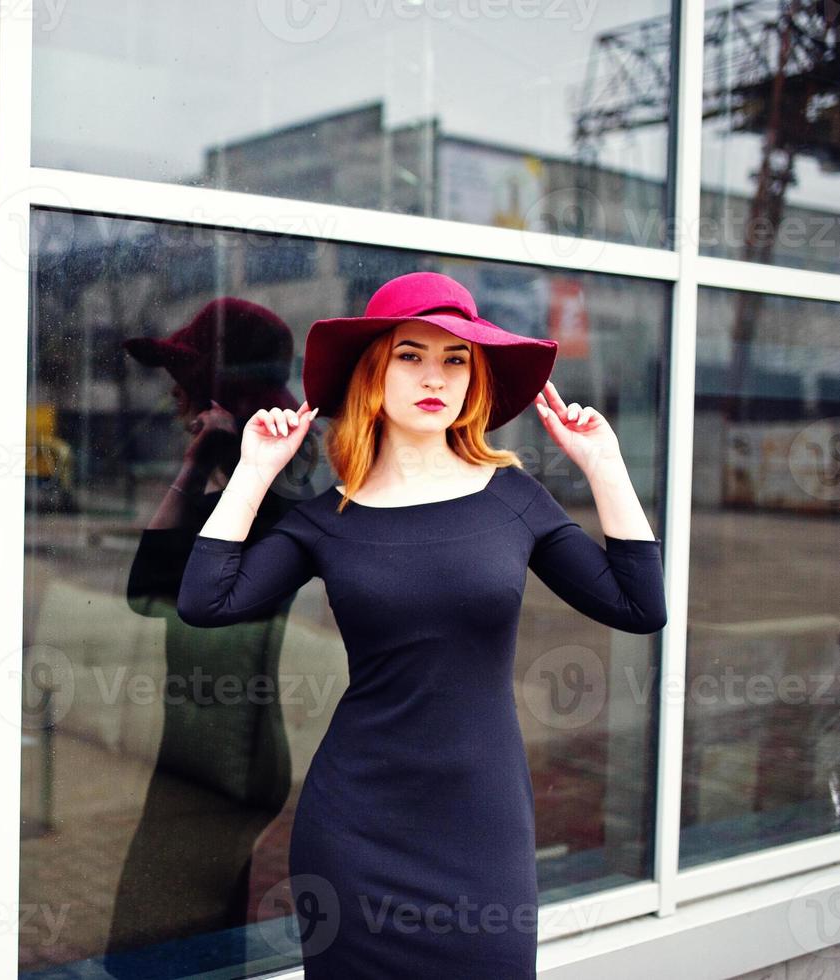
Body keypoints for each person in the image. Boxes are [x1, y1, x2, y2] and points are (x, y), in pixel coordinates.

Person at [175, 271, 667, 978]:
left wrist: (604, 465)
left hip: (482, 832)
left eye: (455, 358)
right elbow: (206, 600)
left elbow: (637, 604)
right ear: (374, 371)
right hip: (355, 833)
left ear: (474, 379)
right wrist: (255, 473)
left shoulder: (513, 499)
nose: (435, 375)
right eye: (410, 355)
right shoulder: (326, 518)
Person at [107, 297, 320, 970]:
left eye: (191, 393)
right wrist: (201, 457)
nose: (179, 406)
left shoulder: (273, 515)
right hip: (195, 751)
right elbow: (145, 590)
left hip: (230, 759)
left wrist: (228, 451)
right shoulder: (223, 505)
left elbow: (192, 593)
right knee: (189, 945)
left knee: (149, 946)